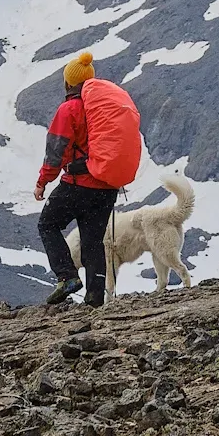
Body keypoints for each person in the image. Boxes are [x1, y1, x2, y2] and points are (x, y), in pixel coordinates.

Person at [34, 52, 137, 306]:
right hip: (107, 186)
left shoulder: (69, 109)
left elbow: (56, 150)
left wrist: (43, 181)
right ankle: (94, 298)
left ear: (69, 84)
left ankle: (67, 276)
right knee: (93, 240)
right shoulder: (103, 109)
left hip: (79, 183)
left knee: (47, 223)